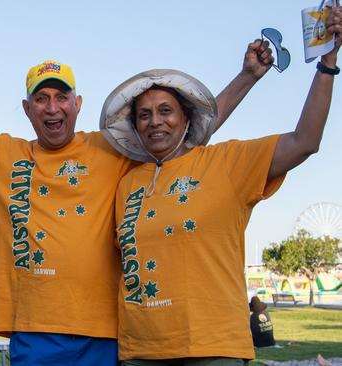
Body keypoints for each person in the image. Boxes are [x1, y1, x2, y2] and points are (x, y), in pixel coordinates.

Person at [0, 38, 272, 365]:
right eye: (41, 99)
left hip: (106, 333)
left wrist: (247, 77)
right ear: (27, 109)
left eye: (61, 97)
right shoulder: (1, 154)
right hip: (35, 330)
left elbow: (186, 132)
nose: (52, 107)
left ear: (78, 105)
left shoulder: (113, 149)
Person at [103, 10, 340, 364]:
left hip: (214, 348)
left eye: (166, 110)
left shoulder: (226, 164)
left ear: (186, 118)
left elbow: (305, 141)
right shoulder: (126, 183)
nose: (155, 121)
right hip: (140, 351)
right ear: (135, 127)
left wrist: (327, 64)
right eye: (144, 114)